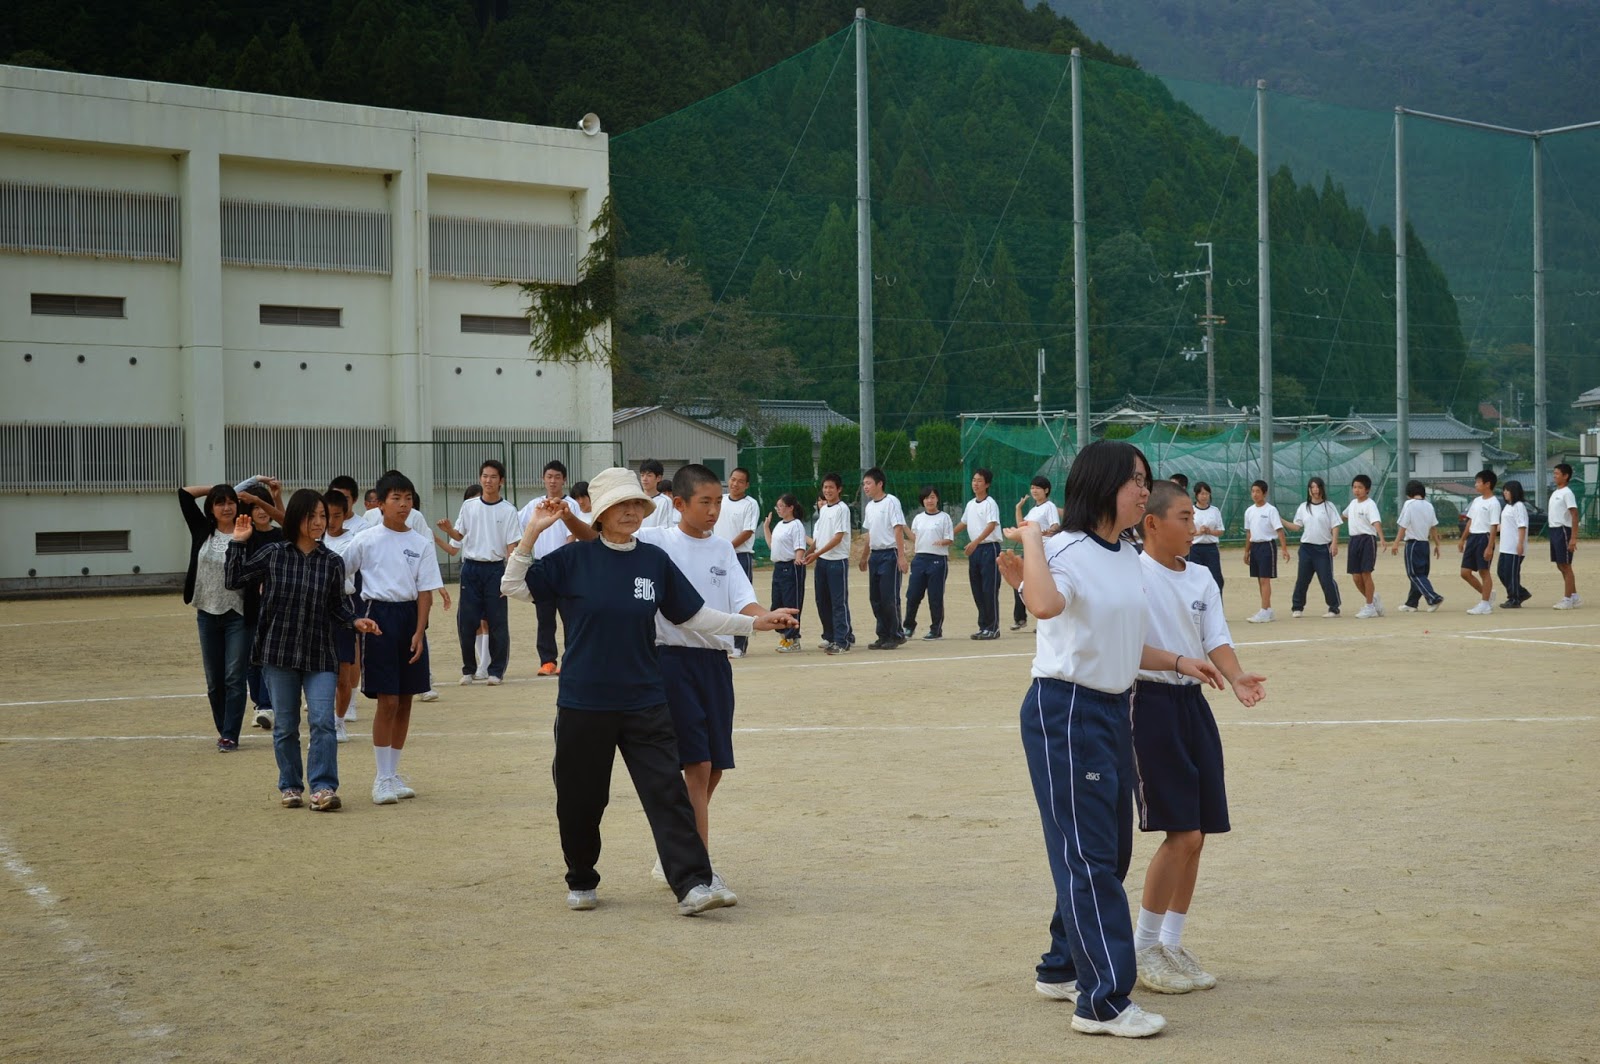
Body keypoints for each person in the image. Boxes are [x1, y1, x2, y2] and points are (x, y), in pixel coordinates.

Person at [995, 440, 1223, 1039]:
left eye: (1147, 481)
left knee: (1107, 852)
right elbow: (1044, 604)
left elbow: (1121, 635)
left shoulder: (1123, 552)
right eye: (1135, 481)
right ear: (1102, 484)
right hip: (1066, 708)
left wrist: (1179, 660)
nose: (1145, 491)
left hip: (1111, 707)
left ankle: (1061, 967)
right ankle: (1102, 1002)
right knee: (1091, 856)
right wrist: (1036, 540)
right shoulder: (1065, 547)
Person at [501, 468, 795, 915]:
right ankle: (581, 877)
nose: (633, 512)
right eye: (622, 505)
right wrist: (531, 533)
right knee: (581, 798)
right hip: (584, 701)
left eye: (637, 504)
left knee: (666, 792)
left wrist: (753, 623)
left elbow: (694, 616)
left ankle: (693, 883)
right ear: (601, 513)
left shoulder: (653, 562)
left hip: (645, 699)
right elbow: (513, 586)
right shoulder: (573, 561)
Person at [1127, 482, 1266, 996]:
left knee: (1200, 832)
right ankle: (1143, 948)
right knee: (1180, 832)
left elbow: (1217, 638)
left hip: (1193, 703)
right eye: (1184, 518)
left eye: (1194, 518)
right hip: (1149, 704)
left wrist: (1237, 677)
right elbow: (1125, 645)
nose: (1195, 526)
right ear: (1153, 524)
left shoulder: (1203, 575)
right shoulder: (1131, 571)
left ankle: (1171, 941)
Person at [639, 464, 773, 888]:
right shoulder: (655, 542)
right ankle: (697, 868)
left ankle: (675, 848)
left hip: (716, 666)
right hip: (672, 663)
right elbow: (606, 542)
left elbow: (743, 601)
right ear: (678, 504)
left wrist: (767, 617)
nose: (715, 510)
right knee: (697, 766)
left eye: (718, 502)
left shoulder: (722, 550)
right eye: (706, 502)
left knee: (713, 767)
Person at [226, 489, 379, 812]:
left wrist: (356, 622)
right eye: (313, 516)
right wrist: (238, 542)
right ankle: (291, 786)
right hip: (278, 652)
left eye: (323, 516)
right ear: (297, 518)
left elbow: (337, 607)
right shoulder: (274, 554)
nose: (319, 522)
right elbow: (234, 579)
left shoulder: (332, 562)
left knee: (323, 721)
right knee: (285, 725)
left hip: (319, 653)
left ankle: (323, 788)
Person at [340, 471, 444, 805]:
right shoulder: (366, 539)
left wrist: (419, 630)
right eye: (396, 498)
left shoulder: (420, 543)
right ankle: (381, 778)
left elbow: (426, 590)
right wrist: (353, 615)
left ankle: (394, 773)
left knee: (407, 699)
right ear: (380, 504)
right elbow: (338, 572)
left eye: (408, 498)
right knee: (388, 700)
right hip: (379, 617)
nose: (403, 505)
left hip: (410, 619)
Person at [180, 479, 253, 751]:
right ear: (210, 508)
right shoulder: (202, 530)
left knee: (234, 676)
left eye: (231, 501)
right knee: (214, 681)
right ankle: (224, 728)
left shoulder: (247, 531)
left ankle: (230, 734)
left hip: (238, 613)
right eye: (220, 502)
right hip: (206, 612)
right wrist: (218, 488)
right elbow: (185, 495)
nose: (226, 507)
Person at [438, 460, 522, 686]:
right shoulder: (469, 506)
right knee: (467, 621)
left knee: (497, 622)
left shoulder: (509, 510)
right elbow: (459, 537)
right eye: (485, 476)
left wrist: (509, 578)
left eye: (493, 476)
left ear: (501, 481)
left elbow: (512, 547)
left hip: (495, 570)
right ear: (479, 478)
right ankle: (469, 669)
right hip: (471, 569)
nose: (488, 480)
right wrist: (448, 530)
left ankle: (496, 671)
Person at [519, 460, 584, 677]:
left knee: (570, 617)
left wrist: (565, 561)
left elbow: (573, 535)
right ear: (543, 479)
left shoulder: (571, 505)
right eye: (549, 476)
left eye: (557, 476)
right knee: (544, 618)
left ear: (564, 480)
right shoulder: (533, 506)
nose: (553, 481)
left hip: (566, 568)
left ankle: (570, 660)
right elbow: (520, 528)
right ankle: (547, 661)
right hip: (541, 567)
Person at [319, 489, 363, 742]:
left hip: (342, 605)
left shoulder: (355, 540)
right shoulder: (312, 539)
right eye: (326, 516)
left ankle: (339, 721)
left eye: (336, 516)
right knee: (319, 670)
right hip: (316, 608)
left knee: (344, 671)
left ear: (345, 515)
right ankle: (322, 721)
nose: (331, 521)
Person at [858, 467, 910, 650]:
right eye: (864, 483)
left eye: (869, 483)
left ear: (880, 484)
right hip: (876, 555)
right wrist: (865, 556)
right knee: (876, 598)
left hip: (890, 554)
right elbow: (870, 534)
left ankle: (895, 634)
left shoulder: (891, 502)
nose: (865, 487)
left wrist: (901, 557)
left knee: (889, 597)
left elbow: (898, 529)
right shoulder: (870, 507)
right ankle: (882, 634)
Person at [804, 473, 854, 654]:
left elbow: (838, 537)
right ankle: (830, 636)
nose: (827, 491)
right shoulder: (824, 510)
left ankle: (842, 641)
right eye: (825, 487)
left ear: (839, 489)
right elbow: (819, 538)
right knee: (822, 600)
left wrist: (816, 554)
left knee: (838, 602)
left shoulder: (842, 509)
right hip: (822, 562)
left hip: (836, 562)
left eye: (831, 487)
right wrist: (809, 554)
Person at [714, 467, 761, 658]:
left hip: (740, 557)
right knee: (719, 599)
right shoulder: (721, 501)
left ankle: (740, 645)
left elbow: (748, 531)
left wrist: (727, 548)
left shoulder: (750, 504)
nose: (735, 484)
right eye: (733, 479)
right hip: (718, 557)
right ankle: (722, 641)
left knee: (740, 601)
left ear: (747, 485)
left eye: (740, 481)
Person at [953, 468, 1002, 639]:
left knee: (989, 589)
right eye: (974, 480)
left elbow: (991, 525)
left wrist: (975, 542)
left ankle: (993, 627)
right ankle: (983, 626)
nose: (975, 483)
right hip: (975, 551)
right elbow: (964, 523)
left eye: (980, 480)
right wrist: (949, 535)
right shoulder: (970, 504)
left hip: (989, 548)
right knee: (978, 589)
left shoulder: (990, 503)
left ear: (987, 484)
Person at [1285, 476, 1342, 619]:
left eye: (1317, 487)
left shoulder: (1329, 506)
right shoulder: (1303, 507)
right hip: (1306, 549)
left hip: (1323, 549)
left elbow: (1335, 525)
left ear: (1322, 488)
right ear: (1309, 490)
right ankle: (1297, 607)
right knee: (1302, 579)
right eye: (1312, 487)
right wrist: (1280, 520)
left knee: (1326, 578)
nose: (1315, 490)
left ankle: (1333, 607)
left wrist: (1334, 543)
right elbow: (1296, 526)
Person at [903, 486, 953, 641]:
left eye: (932, 497)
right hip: (919, 560)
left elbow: (950, 539)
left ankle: (936, 629)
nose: (929, 501)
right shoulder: (918, 518)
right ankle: (908, 626)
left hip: (937, 560)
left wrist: (941, 542)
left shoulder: (944, 518)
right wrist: (903, 526)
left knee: (935, 596)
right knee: (913, 595)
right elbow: (914, 537)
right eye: (926, 498)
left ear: (937, 499)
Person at [1010, 476, 1060, 630]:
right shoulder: (1033, 510)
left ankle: (1043, 622)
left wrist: (1048, 531)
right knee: (1020, 583)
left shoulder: (1049, 506)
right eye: (1032, 487)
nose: (1034, 490)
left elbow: (1056, 525)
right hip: (1031, 549)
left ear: (1046, 490)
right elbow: (1021, 526)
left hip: (1044, 551)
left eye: (1038, 488)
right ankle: (1020, 619)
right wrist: (1018, 508)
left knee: (1041, 587)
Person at [762, 494, 808, 652]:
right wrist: (766, 528)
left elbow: (800, 546)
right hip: (778, 567)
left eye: (781, 506)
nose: (778, 509)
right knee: (777, 603)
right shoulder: (780, 525)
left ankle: (793, 638)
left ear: (790, 508)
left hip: (791, 567)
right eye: (777, 507)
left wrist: (798, 558)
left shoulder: (796, 525)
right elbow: (772, 545)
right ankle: (784, 637)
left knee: (791, 603)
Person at [1393, 481, 1444, 612]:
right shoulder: (1429, 506)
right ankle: (1411, 603)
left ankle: (1433, 598)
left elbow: (1403, 525)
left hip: (1413, 544)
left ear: (1409, 494)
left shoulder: (1409, 504)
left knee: (1414, 574)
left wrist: (1396, 543)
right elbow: (1433, 527)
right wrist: (1437, 544)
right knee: (1421, 574)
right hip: (1424, 544)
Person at [1242, 481, 1289, 623]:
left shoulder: (1271, 510)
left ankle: (1263, 611)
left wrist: (1284, 549)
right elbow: (1249, 533)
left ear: (1265, 493)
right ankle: (1267, 609)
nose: (1255, 494)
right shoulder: (1249, 511)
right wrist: (1246, 551)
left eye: (1258, 491)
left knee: (1264, 579)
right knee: (1259, 579)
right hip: (1255, 547)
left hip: (1267, 546)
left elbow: (1279, 530)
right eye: (1253, 491)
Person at [1342, 475, 1386, 618]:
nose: (1357, 490)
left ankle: (1369, 608)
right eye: (1355, 487)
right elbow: (1344, 516)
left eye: (1360, 487)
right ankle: (1373, 599)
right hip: (1353, 540)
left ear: (1367, 489)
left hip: (1367, 540)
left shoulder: (1370, 504)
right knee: (1356, 577)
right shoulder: (1353, 504)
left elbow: (1376, 522)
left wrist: (1382, 538)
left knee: (1366, 573)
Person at [1460, 470, 1502, 615]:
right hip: (1473, 538)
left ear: (1487, 484)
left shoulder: (1494, 503)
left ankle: (1485, 604)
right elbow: (1470, 521)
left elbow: (1494, 526)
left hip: (1484, 538)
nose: (1475, 485)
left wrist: (1490, 546)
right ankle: (1488, 595)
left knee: (1484, 571)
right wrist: (1462, 539)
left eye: (1478, 482)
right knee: (1465, 572)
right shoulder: (1477, 501)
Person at [1548, 463, 1581, 609]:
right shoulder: (1556, 492)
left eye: (1557, 473)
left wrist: (1573, 538)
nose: (1554, 476)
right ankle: (1574, 596)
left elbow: (1574, 514)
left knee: (1566, 566)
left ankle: (1567, 599)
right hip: (1554, 530)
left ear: (1565, 476)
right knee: (1560, 564)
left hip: (1563, 530)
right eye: (1554, 473)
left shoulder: (1567, 493)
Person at [1497, 479, 1531, 608]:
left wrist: (1520, 543)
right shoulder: (1507, 506)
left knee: (1511, 574)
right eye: (1504, 490)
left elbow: (1521, 526)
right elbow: (1506, 525)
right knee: (1502, 572)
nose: (1505, 493)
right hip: (1505, 547)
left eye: (1508, 490)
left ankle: (1514, 598)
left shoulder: (1519, 506)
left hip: (1514, 547)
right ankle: (1520, 592)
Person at [1188, 482, 1225, 595]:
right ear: (1196, 495)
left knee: (1216, 578)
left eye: (1207, 494)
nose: (1204, 496)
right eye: (1202, 494)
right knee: (1196, 579)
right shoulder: (1191, 511)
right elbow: (1187, 531)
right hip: (1195, 549)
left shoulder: (1214, 510)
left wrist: (1210, 532)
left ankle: (1217, 606)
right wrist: (1199, 532)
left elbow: (1221, 531)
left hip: (1211, 549)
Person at [639, 459, 676, 529]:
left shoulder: (665, 501)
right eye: (642, 475)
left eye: (649, 475)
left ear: (659, 478)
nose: (644, 479)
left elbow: (666, 529)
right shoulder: (635, 499)